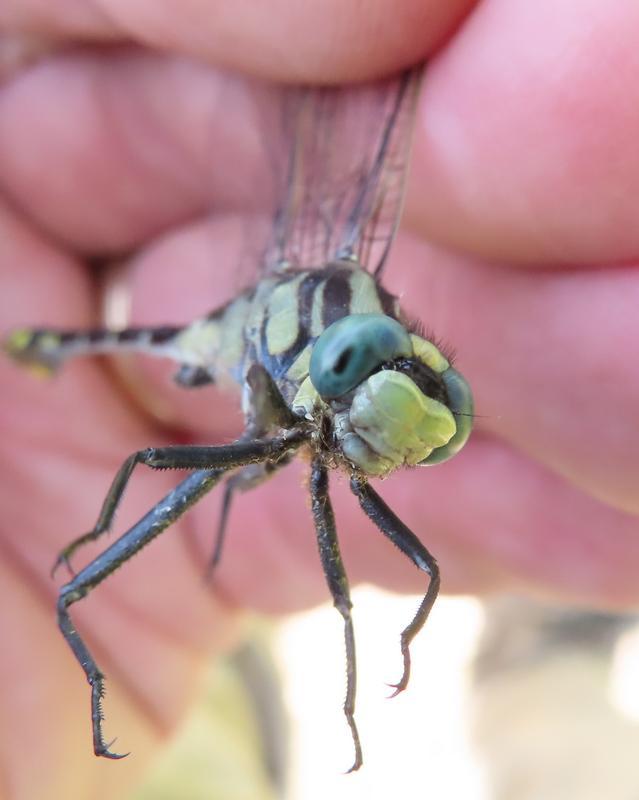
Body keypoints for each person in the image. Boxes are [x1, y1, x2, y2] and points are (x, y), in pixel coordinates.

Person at [1, 1, 638, 797]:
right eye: (358, 383)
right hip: (234, 335)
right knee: (107, 556)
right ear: (332, 364)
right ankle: (48, 360)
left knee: (412, 565)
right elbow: (149, 463)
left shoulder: (337, 399)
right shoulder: (307, 390)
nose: (388, 429)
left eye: (431, 438)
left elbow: (413, 558)